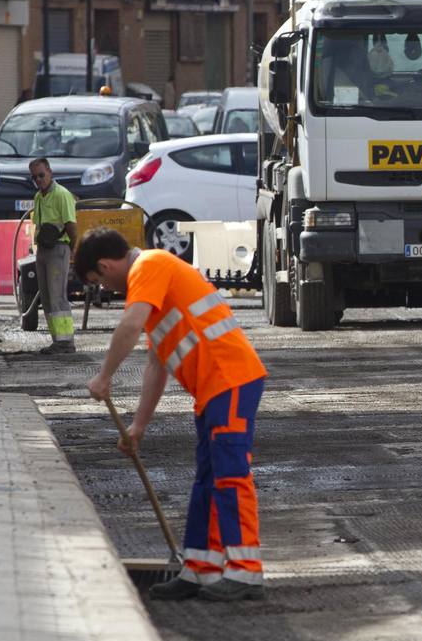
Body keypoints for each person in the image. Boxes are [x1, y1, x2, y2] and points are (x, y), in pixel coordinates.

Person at [76, 229, 270, 603]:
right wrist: (139, 426)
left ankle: (245, 573)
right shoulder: (153, 277)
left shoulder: (149, 265)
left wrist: (104, 376)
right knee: (208, 481)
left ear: (104, 266)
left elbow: (131, 325)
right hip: (216, 388)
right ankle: (200, 568)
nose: (105, 288)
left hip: (229, 381)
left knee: (230, 477)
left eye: (98, 281)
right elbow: (156, 362)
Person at [28, 157, 79, 353]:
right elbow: (39, 226)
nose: (38, 180)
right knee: (48, 296)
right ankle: (57, 339)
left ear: (49, 172)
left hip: (58, 249)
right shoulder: (39, 197)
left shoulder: (61, 195)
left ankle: (66, 342)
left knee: (57, 295)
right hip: (44, 249)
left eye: (41, 175)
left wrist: (75, 253)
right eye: (34, 177)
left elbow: (71, 227)